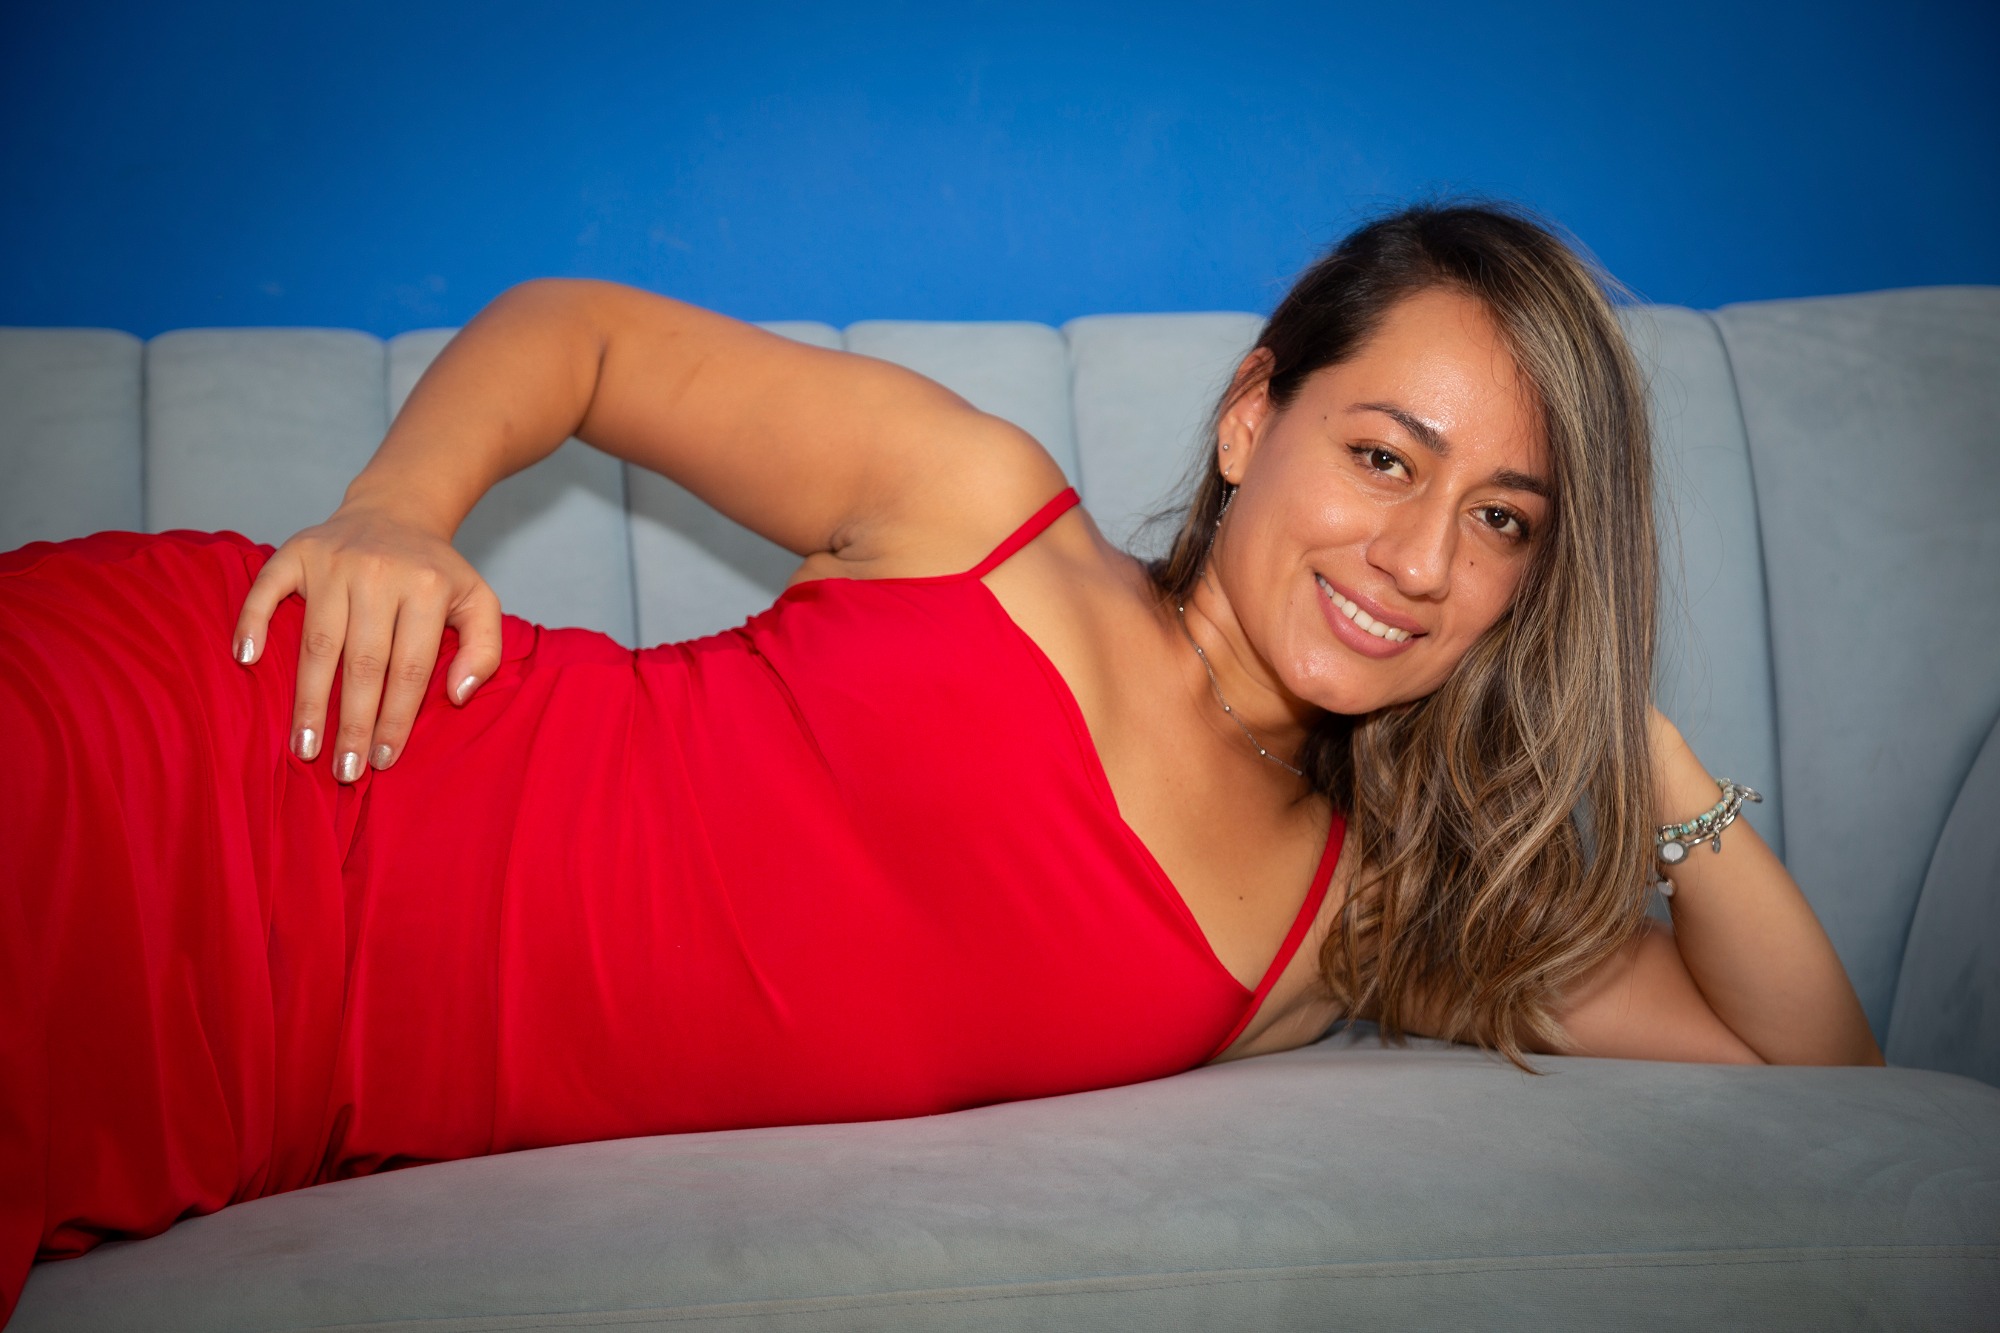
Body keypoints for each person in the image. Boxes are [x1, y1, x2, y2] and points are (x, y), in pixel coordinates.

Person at [0, 202, 1880, 1317]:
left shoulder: (1352, 912)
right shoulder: (982, 508)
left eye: (1503, 522)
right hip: (212, 743)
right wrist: (398, 513)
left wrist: (1622, 719)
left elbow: (1809, 1063)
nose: (1414, 556)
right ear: (1254, 418)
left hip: (266, 1086)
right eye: (1382, 456)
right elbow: (578, 339)